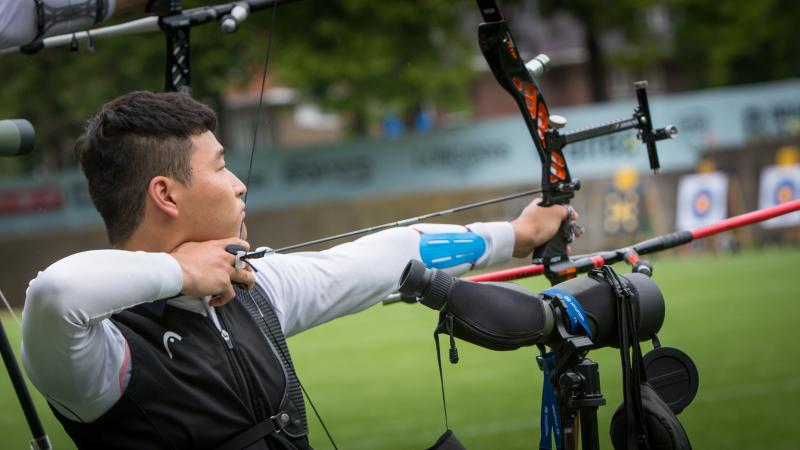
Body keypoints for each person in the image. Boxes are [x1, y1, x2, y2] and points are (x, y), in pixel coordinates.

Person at [20, 91, 575, 449]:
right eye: (219, 167)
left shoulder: (254, 287)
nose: (239, 183)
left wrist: (516, 236)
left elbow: (390, 255)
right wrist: (180, 272)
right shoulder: (98, 353)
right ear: (164, 194)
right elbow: (57, 293)